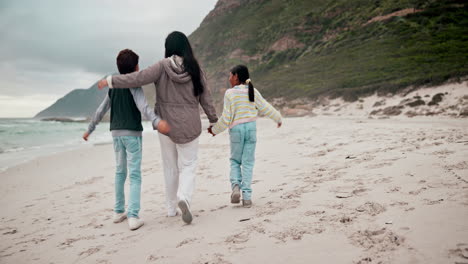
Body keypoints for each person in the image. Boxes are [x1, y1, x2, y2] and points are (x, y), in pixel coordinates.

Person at [97, 31, 218, 224]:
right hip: (190, 123)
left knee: (170, 167)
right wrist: (213, 121)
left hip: (166, 124)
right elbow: (206, 97)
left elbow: (136, 78)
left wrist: (111, 81)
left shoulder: (161, 67)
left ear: (168, 48)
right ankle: (184, 197)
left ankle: (171, 209)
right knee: (188, 165)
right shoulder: (195, 68)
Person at [83, 49, 170, 230]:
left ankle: (118, 212)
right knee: (135, 175)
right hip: (132, 135)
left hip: (116, 135)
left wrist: (89, 129)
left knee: (120, 173)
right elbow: (143, 107)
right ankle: (133, 216)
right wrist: (157, 121)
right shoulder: (134, 86)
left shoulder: (113, 88)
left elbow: (101, 111)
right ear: (136, 68)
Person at [208, 65, 282, 208]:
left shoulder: (230, 93)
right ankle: (247, 197)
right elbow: (265, 107)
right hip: (251, 129)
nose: (229, 78)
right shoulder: (252, 91)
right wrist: (277, 118)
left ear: (236, 76)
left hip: (236, 130)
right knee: (248, 163)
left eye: (230, 75)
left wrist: (214, 130)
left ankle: (235, 187)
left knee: (235, 161)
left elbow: (226, 118)